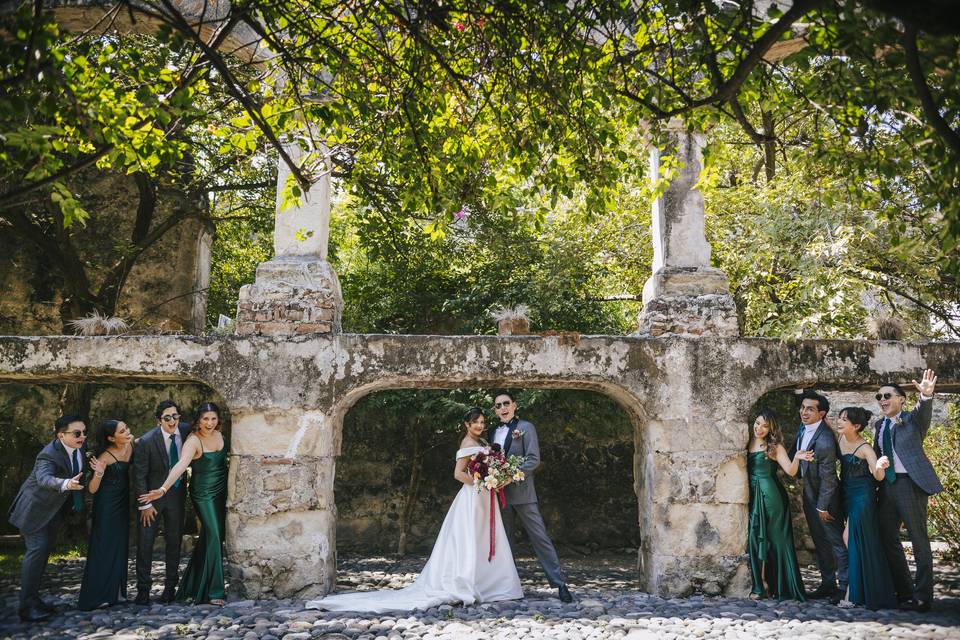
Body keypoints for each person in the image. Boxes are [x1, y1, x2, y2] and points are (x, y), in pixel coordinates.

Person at [305, 407, 523, 613]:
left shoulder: (483, 441)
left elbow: (486, 467)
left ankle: (488, 583)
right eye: (475, 422)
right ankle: (469, 580)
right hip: (473, 497)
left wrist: (494, 478)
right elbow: (458, 473)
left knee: (485, 536)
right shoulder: (467, 443)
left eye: (482, 422)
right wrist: (481, 484)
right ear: (467, 424)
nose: (479, 425)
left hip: (485, 497)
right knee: (471, 537)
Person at [139, 402, 229, 605]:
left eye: (213, 418)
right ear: (198, 420)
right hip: (203, 493)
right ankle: (215, 591)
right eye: (205, 419)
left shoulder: (220, 435)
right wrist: (163, 489)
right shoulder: (193, 440)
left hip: (220, 492)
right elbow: (180, 465)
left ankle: (195, 584)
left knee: (212, 535)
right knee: (214, 534)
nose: (210, 423)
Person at [489, 391, 572, 603]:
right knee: (504, 541)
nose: (503, 408)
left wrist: (509, 477)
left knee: (540, 537)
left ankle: (560, 584)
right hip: (499, 495)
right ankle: (506, 585)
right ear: (495, 410)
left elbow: (533, 460)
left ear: (514, 405)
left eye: (506, 403)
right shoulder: (492, 432)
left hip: (523, 493)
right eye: (498, 406)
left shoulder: (526, 428)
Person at [873, 370, 942, 611]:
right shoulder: (879, 425)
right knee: (887, 538)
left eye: (887, 395)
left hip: (910, 485)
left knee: (919, 540)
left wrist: (926, 396)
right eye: (879, 397)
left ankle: (922, 597)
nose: (882, 400)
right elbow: (878, 454)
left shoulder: (913, 420)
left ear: (902, 399)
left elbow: (924, 412)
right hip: (887, 486)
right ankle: (903, 591)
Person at [7, 415, 87, 622]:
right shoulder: (48, 454)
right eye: (77, 433)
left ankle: (34, 600)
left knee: (43, 554)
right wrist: (66, 484)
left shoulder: (79, 451)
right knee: (36, 553)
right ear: (61, 435)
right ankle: (26, 607)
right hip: (33, 512)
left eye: (84, 432)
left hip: (52, 512)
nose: (82, 436)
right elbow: (44, 479)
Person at [835, 407, 897, 610]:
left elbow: (878, 476)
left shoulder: (865, 448)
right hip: (847, 494)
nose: (839, 422)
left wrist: (880, 464)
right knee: (859, 541)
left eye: (844, 420)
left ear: (857, 426)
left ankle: (851, 594)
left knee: (848, 537)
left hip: (863, 496)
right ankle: (864, 588)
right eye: (840, 418)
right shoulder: (840, 438)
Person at [789, 389, 847, 603]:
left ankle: (845, 588)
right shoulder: (804, 428)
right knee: (821, 542)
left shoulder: (824, 441)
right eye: (802, 408)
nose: (804, 412)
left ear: (821, 414)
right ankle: (828, 584)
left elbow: (830, 479)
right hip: (810, 494)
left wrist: (822, 507)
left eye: (810, 409)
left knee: (836, 543)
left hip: (826, 499)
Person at [746, 410, 811, 601]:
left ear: (771, 429)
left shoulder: (774, 447)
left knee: (777, 540)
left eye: (765, 426)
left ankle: (785, 586)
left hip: (771, 496)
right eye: (757, 423)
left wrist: (797, 458)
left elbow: (790, 471)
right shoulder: (746, 441)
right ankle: (762, 583)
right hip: (753, 494)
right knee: (756, 537)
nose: (759, 428)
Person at [133, 400, 191, 605]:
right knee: (145, 543)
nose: (172, 421)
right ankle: (143, 590)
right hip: (152, 499)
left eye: (175, 416)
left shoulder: (185, 431)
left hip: (176, 497)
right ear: (159, 420)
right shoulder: (147, 441)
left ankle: (170, 588)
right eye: (167, 417)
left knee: (174, 542)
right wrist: (144, 505)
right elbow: (139, 475)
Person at [78, 419, 133, 610]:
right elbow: (92, 490)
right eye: (122, 431)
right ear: (111, 438)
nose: (127, 432)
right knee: (104, 547)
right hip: (107, 507)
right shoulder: (104, 456)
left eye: (126, 429)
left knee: (120, 545)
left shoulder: (130, 444)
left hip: (123, 503)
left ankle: (116, 592)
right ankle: (96, 595)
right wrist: (99, 473)